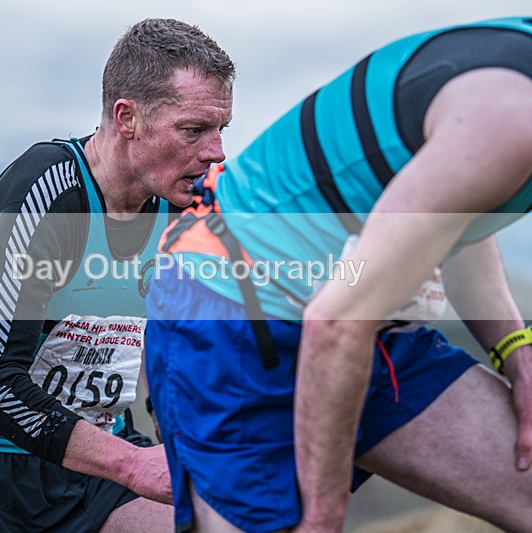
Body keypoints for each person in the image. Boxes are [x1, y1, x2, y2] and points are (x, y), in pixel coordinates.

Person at [145, 16, 532, 532]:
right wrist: (324, 518)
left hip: (360, 316)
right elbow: (337, 320)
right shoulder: (509, 117)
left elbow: (463, 213)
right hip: (231, 310)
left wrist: (517, 357)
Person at [0, 18, 235, 532]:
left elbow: (170, 345)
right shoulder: (50, 197)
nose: (216, 151)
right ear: (127, 117)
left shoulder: (179, 202)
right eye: (194, 129)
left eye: (220, 130)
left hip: (99, 455)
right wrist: (137, 465)